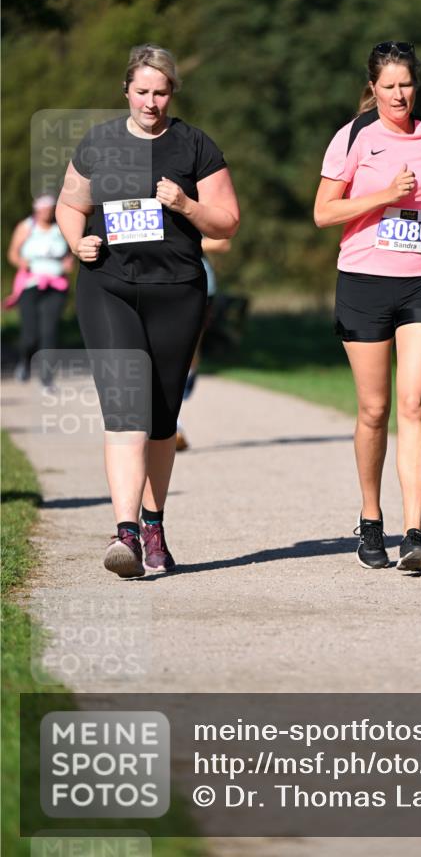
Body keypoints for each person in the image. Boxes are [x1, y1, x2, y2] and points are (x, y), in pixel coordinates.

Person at [56, 44, 240, 577]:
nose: (151, 102)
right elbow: (72, 203)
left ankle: (154, 523)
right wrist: (77, 242)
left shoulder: (195, 146)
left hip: (177, 291)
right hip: (107, 287)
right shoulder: (101, 142)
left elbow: (226, 221)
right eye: (142, 92)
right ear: (127, 92)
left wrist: (184, 204)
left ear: (172, 94)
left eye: (161, 93)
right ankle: (126, 535)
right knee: (125, 411)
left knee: (161, 420)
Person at [314, 41, 421, 571]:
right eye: (389, 86)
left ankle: (415, 534)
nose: (400, 95)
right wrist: (382, 196)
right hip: (364, 281)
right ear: (373, 88)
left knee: (415, 402)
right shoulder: (354, 136)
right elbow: (323, 213)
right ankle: (372, 518)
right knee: (375, 410)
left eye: (407, 85)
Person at [6, 194, 73, 385]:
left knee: (49, 331)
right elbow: (12, 253)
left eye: (49, 207)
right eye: (42, 208)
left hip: (56, 285)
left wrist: (70, 262)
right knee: (30, 334)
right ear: (36, 208)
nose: (46, 211)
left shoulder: (60, 227)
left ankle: (47, 377)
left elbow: (72, 250)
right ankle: (25, 361)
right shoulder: (27, 226)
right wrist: (21, 262)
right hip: (30, 284)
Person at [175, 235, 232, 451]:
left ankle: (188, 377)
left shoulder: (193, 201)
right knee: (162, 354)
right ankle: (173, 425)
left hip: (198, 283)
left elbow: (222, 241)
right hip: (154, 282)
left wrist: (175, 239)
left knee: (188, 350)